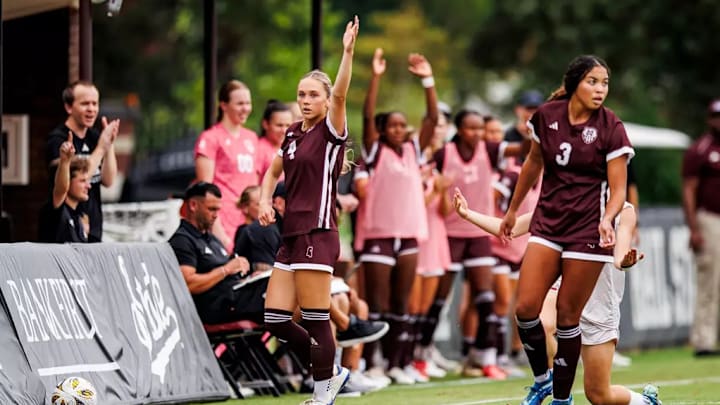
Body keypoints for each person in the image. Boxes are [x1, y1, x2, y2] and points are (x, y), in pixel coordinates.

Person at [498, 55, 634, 405]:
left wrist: (607, 218)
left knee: (567, 317)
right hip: (548, 224)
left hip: (586, 231)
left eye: (605, 83)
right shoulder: (546, 117)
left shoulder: (611, 126)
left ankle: (561, 399)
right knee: (526, 308)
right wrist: (513, 211)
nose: (600, 89)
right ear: (574, 82)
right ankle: (543, 380)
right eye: (593, 81)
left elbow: (619, 189)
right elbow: (533, 163)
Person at [454, 190, 661, 405]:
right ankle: (553, 384)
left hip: (600, 302)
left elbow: (619, 257)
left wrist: (624, 262)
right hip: (564, 286)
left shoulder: (624, 210)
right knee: (538, 321)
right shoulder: (564, 200)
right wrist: (467, 214)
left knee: (599, 395)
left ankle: (645, 402)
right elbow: (512, 228)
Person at [257, 16, 359, 405]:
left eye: (312, 95)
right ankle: (329, 373)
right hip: (291, 234)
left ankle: (322, 392)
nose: (304, 100)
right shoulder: (293, 133)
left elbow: (343, 94)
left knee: (317, 318)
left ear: (326, 99)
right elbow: (271, 171)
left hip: (318, 233)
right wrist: (265, 199)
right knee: (276, 320)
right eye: (301, 94)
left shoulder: (330, 132)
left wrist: (347, 52)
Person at [354, 47, 438, 384]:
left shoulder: (413, 150)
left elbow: (431, 120)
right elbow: (366, 114)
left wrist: (428, 81)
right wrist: (375, 76)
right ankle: (372, 364)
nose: (401, 130)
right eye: (394, 125)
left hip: (409, 234)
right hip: (378, 235)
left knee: (402, 303)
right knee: (377, 304)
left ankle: (397, 364)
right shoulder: (374, 152)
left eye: (404, 125)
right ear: (382, 130)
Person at [432, 108, 529, 380]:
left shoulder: (490, 151)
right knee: (439, 299)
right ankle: (421, 353)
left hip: (479, 236)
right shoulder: (444, 154)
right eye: (470, 128)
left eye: (479, 129)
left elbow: (525, 147)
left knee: (486, 298)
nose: (476, 134)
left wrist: (531, 131)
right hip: (449, 234)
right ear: (459, 130)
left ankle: (486, 357)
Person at [167, 182, 263, 325]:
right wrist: (226, 269)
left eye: (218, 210)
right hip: (215, 307)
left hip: (236, 298)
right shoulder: (183, 240)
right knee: (280, 303)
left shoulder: (211, 239)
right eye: (211, 209)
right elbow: (188, 285)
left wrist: (248, 277)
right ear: (193, 205)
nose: (216, 216)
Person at [46, 81, 119, 242]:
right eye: (85, 103)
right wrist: (101, 148)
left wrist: (109, 144)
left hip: (92, 228)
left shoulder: (94, 137)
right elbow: (68, 182)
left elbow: (108, 180)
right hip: (66, 231)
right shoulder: (59, 139)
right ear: (69, 107)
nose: (91, 109)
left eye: (95, 103)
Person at [195, 80, 259, 251]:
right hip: (224, 221)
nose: (245, 108)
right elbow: (205, 190)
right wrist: (218, 230)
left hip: (249, 222)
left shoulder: (251, 138)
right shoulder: (210, 138)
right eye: (239, 103)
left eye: (248, 103)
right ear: (223, 105)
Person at [682, 98, 720, 357]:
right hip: (710, 219)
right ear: (709, 120)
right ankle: (704, 340)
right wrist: (694, 228)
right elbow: (689, 190)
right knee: (710, 280)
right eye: (716, 116)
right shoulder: (700, 149)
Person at [39, 134, 92, 243]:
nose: (88, 186)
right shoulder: (55, 209)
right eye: (82, 181)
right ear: (68, 181)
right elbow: (61, 189)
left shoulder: (81, 216)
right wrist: (65, 161)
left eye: (88, 181)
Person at [256, 100, 294, 181]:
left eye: (288, 125)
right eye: (279, 125)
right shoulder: (259, 149)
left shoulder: (292, 147)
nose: (284, 130)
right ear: (265, 124)